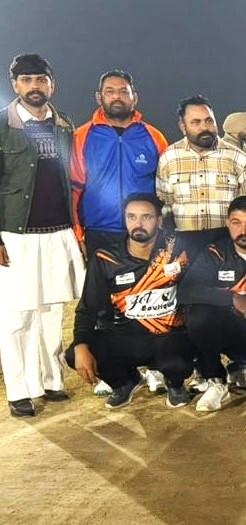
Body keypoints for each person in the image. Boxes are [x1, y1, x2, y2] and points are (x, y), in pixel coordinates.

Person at [0, 54, 85, 417]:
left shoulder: (64, 123)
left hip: (58, 231)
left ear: (52, 84)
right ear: (15, 85)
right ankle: (20, 390)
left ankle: (51, 380)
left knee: (52, 311)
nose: (34, 86)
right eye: (26, 80)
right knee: (17, 315)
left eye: (40, 80)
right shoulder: (3, 125)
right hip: (15, 234)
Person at [66, 194, 194, 410]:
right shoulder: (106, 258)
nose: (138, 224)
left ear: (159, 220)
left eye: (146, 217)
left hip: (170, 336)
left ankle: (175, 384)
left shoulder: (179, 249)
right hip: (126, 336)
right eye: (131, 217)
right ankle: (124, 382)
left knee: (185, 345)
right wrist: (80, 346)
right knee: (75, 353)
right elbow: (88, 308)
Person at [178, 196, 246, 411]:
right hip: (228, 329)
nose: (243, 230)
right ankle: (216, 381)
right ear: (227, 223)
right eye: (236, 223)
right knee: (199, 316)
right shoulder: (215, 252)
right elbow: (186, 290)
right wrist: (232, 298)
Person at [71, 69, 169, 257]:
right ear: (99, 97)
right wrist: (77, 234)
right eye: (110, 91)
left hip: (144, 234)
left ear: (134, 98)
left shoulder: (154, 137)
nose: (117, 96)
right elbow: (74, 190)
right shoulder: (82, 136)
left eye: (124, 92)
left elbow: (167, 191)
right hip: (98, 232)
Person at [156, 95, 246, 259]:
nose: (205, 127)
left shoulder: (237, 158)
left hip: (228, 249)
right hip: (184, 250)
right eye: (196, 122)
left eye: (209, 121)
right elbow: (165, 207)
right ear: (183, 127)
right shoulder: (169, 158)